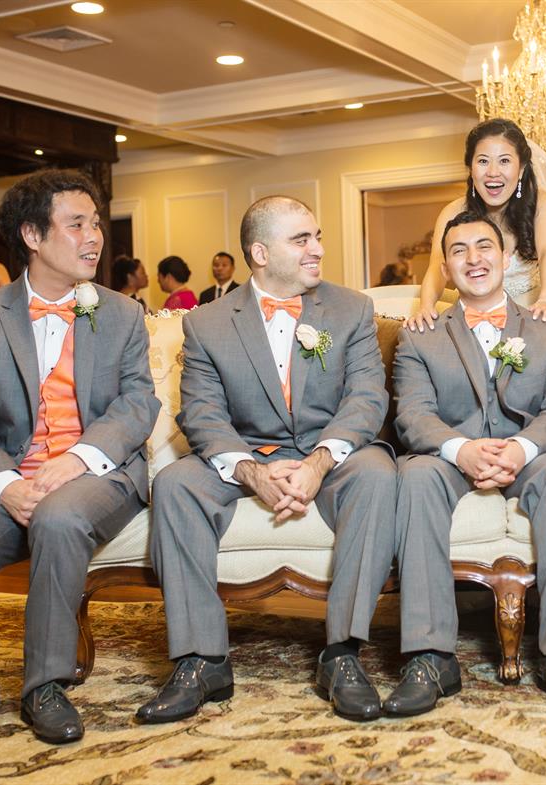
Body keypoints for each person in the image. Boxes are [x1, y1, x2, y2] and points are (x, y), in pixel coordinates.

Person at [0, 170, 158, 744]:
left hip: (100, 472)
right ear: (33, 236)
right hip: (14, 474)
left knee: (60, 518)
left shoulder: (121, 312)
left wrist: (80, 458)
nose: (94, 237)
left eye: (96, 224)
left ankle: (45, 684)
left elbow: (138, 404)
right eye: (77, 225)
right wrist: (5, 485)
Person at [137, 196, 397, 724]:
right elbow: (202, 413)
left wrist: (318, 463)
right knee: (176, 483)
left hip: (329, 449)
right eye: (301, 240)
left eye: (317, 237)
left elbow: (367, 398)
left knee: (377, 473)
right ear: (260, 253)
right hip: (248, 451)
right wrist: (251, 471)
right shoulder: (207, 322)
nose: (317, 249)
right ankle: (201, 661)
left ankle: (342, 654)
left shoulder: (351, 309)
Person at [390, 211, 546, 716]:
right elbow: (413, 414)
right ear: (446, 268)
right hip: (450, 456)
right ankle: (430, 656)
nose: (474, 259)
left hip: (529, 454)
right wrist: (459, 449)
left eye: (484, 247)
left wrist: (522, 448)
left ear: (506, 259)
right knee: (415, 475)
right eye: (458, 251)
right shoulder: (419, 335)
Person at [405, 118, 546, 331]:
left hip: (532, 309)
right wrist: (426, 307)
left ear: (521, 169)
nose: (493, 172)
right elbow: (437, 267)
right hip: (476, 313)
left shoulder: (540, 203)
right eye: (483, 161)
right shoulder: (452, 212)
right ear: (470, 168)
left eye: (504, 161)